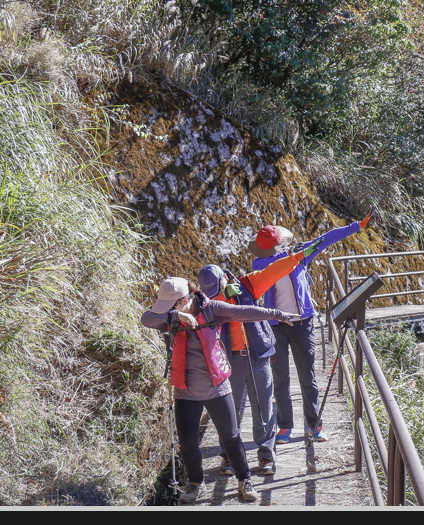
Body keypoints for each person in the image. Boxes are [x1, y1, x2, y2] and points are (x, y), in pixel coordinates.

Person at [140, 250, 309, 505]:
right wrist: (176, 315)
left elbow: (244, 312)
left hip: (217, 387)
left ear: (185, 298)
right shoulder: (170, 318)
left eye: (173, 306)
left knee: (231, 438)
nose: (168, 311)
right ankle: (195, 482)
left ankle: (244, 479)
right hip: (185, 391)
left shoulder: (212, 309)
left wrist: (277, 314)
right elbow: (146, 318)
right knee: (187, 444)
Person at [249, 210, 371, 444]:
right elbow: (270, 269)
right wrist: (291, 256)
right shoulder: (261, 263)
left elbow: (326, 239)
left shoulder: (299, 254)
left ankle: (315, 425)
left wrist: (357, 226)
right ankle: (285, 426)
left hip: (302, 323)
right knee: (280, 378)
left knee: (308, 376)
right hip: (276, 325)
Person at [198, 263, 279, 477]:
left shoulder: (245, 285)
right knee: (228, 409)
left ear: (225, 277)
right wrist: (222, 297)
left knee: (263, 406)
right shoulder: (205, 299)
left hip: (257, 356)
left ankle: (266, 454)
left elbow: (275, 271)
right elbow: (206, 312)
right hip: (227, 359)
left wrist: (296, 256)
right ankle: (230, 455)